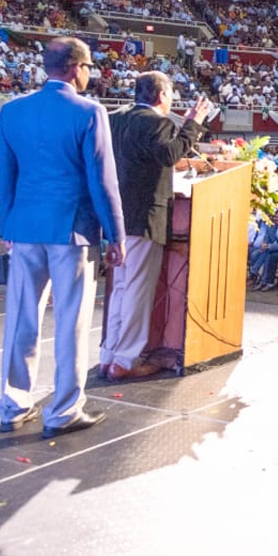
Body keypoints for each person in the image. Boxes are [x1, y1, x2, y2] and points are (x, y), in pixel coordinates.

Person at [0, 37, 126, 438]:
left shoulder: (12, 111)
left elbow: (5, 175)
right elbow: (102, 180)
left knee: (21, 315)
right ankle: (64, 410)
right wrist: (115, 234)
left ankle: (13, 404)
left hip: (25, 227)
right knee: (70, 320)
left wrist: (8, 225)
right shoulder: (89, 111)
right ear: (76, 68)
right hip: (72, 230)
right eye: (89, 67)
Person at [99, 71, 209, 380]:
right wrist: (193, 123)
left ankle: (109, 354)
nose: (171, 100)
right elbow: (170, 154)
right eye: (171, 94)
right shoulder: (157, 122)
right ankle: (126, 360)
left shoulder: (114, 118)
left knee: (120, 289)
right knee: (136, 291)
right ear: (161, 95)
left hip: (116, 218)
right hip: (144, 217)